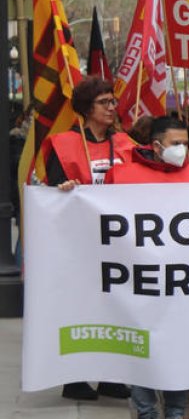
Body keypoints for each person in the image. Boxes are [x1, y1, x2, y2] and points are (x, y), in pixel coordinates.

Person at [102, 116, 189, 419]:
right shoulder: (121, 176)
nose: (184, 150)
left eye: (186, 144)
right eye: (177, 144)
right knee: (141, 354)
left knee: (177, 354)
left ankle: (175, 413)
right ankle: (146, 413)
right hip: (138, 287)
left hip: (181, 290)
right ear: (157, 146)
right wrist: (68, 193)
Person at [44, 76, 135, 402]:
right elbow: (53, 186)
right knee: (80, 310)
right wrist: (62, 189)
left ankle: (112, 376)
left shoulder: (125, 143)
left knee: (116, 307)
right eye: (104, 102)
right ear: (86, 108)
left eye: (113, 101)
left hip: (117, 243)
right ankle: (74, 379)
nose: (112, 108)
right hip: (78, 243)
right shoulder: (62, 143)